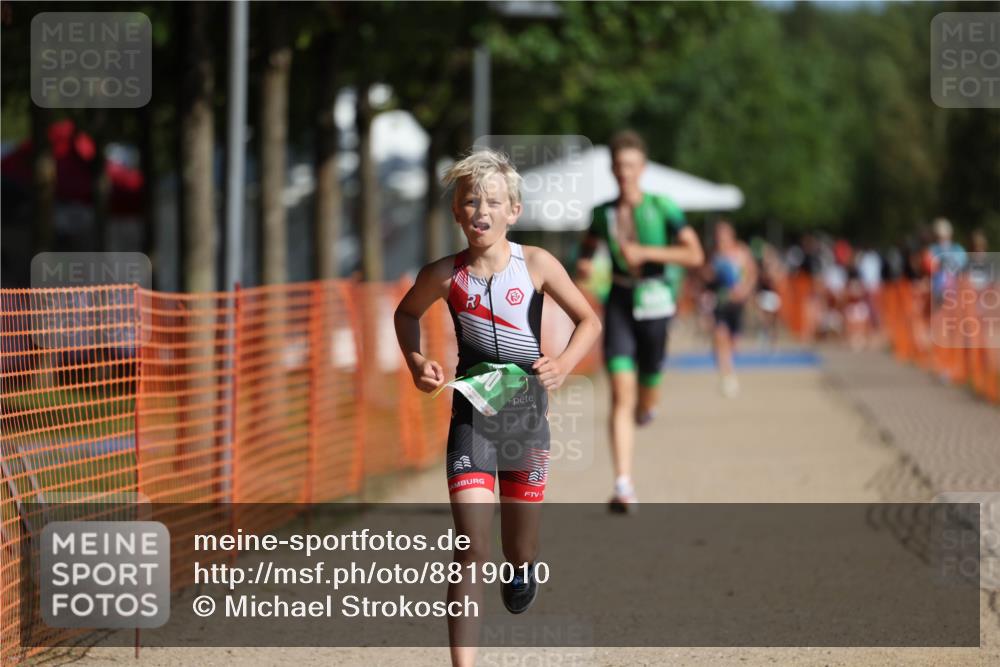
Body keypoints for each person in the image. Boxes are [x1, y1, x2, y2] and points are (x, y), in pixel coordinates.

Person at [394, 149, 601, 667]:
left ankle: (523, 568)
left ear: (513, 210)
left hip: (526, 421)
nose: (481, 210)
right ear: (457, 214)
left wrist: (563, 364)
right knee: (470, 545)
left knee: (518, 550)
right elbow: (406, 314)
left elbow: (588, 321)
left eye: (492, 201)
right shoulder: (444, 275)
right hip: (472, 420)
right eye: (470, 201)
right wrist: (417, 361)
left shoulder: (536, 265)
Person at [575, 130, 704, 512]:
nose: (624, 173)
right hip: (618, 301)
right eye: (618, 167)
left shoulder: (663, 207)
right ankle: (623, 484)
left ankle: (648, 404)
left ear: (642, 168)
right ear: (611, 170)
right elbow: (584, 254)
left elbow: (694, 254)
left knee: (646, 395)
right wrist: (583, 266)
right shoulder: (603, 213)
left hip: (656, 301)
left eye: (630, 166)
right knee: (620, 394)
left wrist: (646, 251)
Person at [704, 220, 756, 397]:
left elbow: (751, 274)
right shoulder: (714, 255)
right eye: (718, 235)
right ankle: (727, 376)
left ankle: (728, 368)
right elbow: (706, 277)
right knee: (719, 336)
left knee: (734, 343)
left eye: (724, 235)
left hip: (738, 304)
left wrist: (746, 291)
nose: (721, 239)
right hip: (721, 303)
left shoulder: (741, 252)